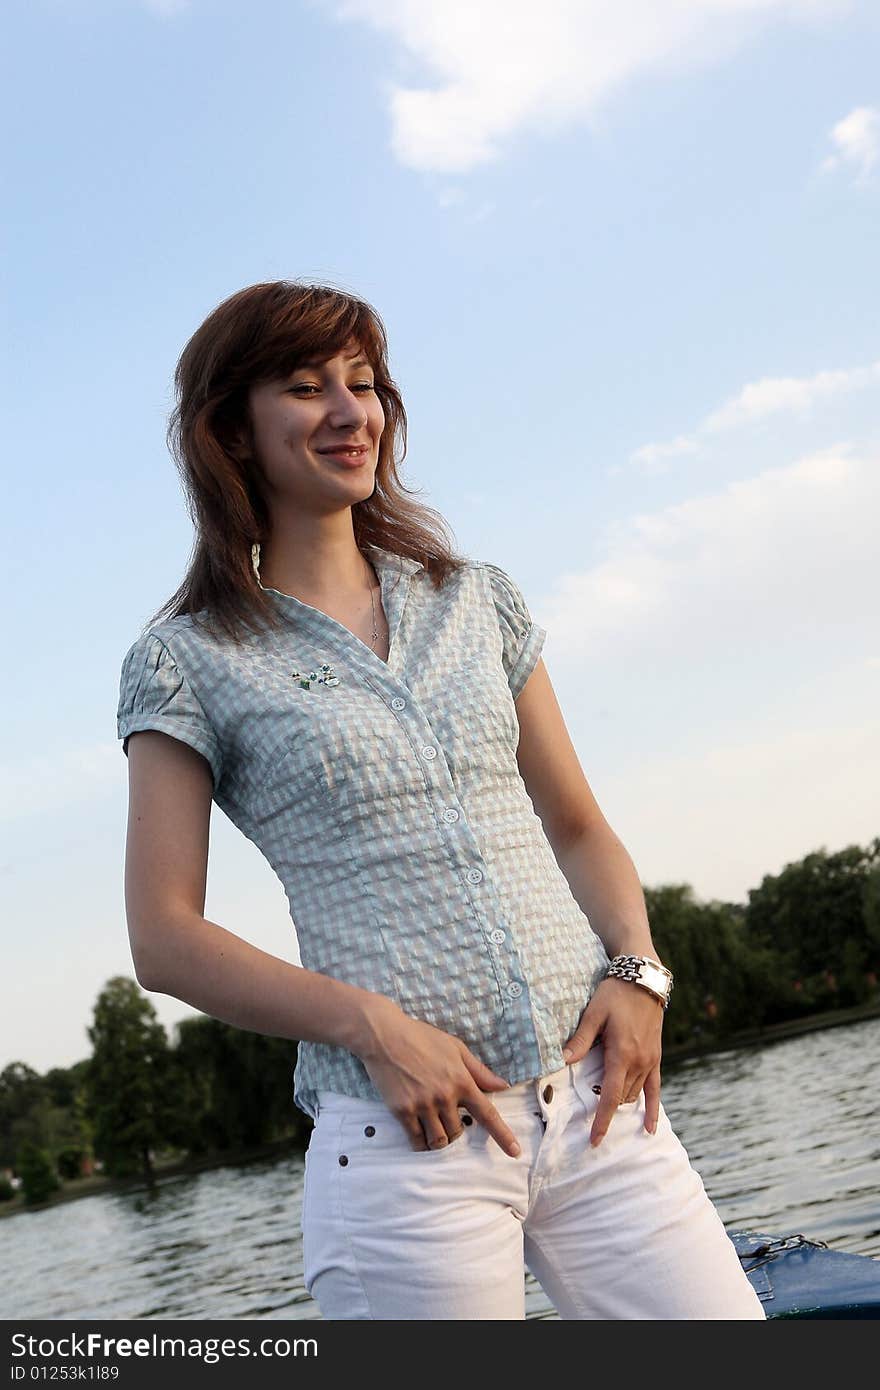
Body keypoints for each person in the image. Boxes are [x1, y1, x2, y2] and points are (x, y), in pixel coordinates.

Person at [116, 279, 765, 1321]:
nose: (348, 411)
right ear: (230, 432)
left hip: (600, 1112)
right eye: (304, 387)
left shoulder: (477, 600)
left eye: (362, 384)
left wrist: (640, 972)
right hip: (404, 1152)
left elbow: (577, 825)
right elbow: (166, 938)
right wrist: (375, 1026)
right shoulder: (187, 660)